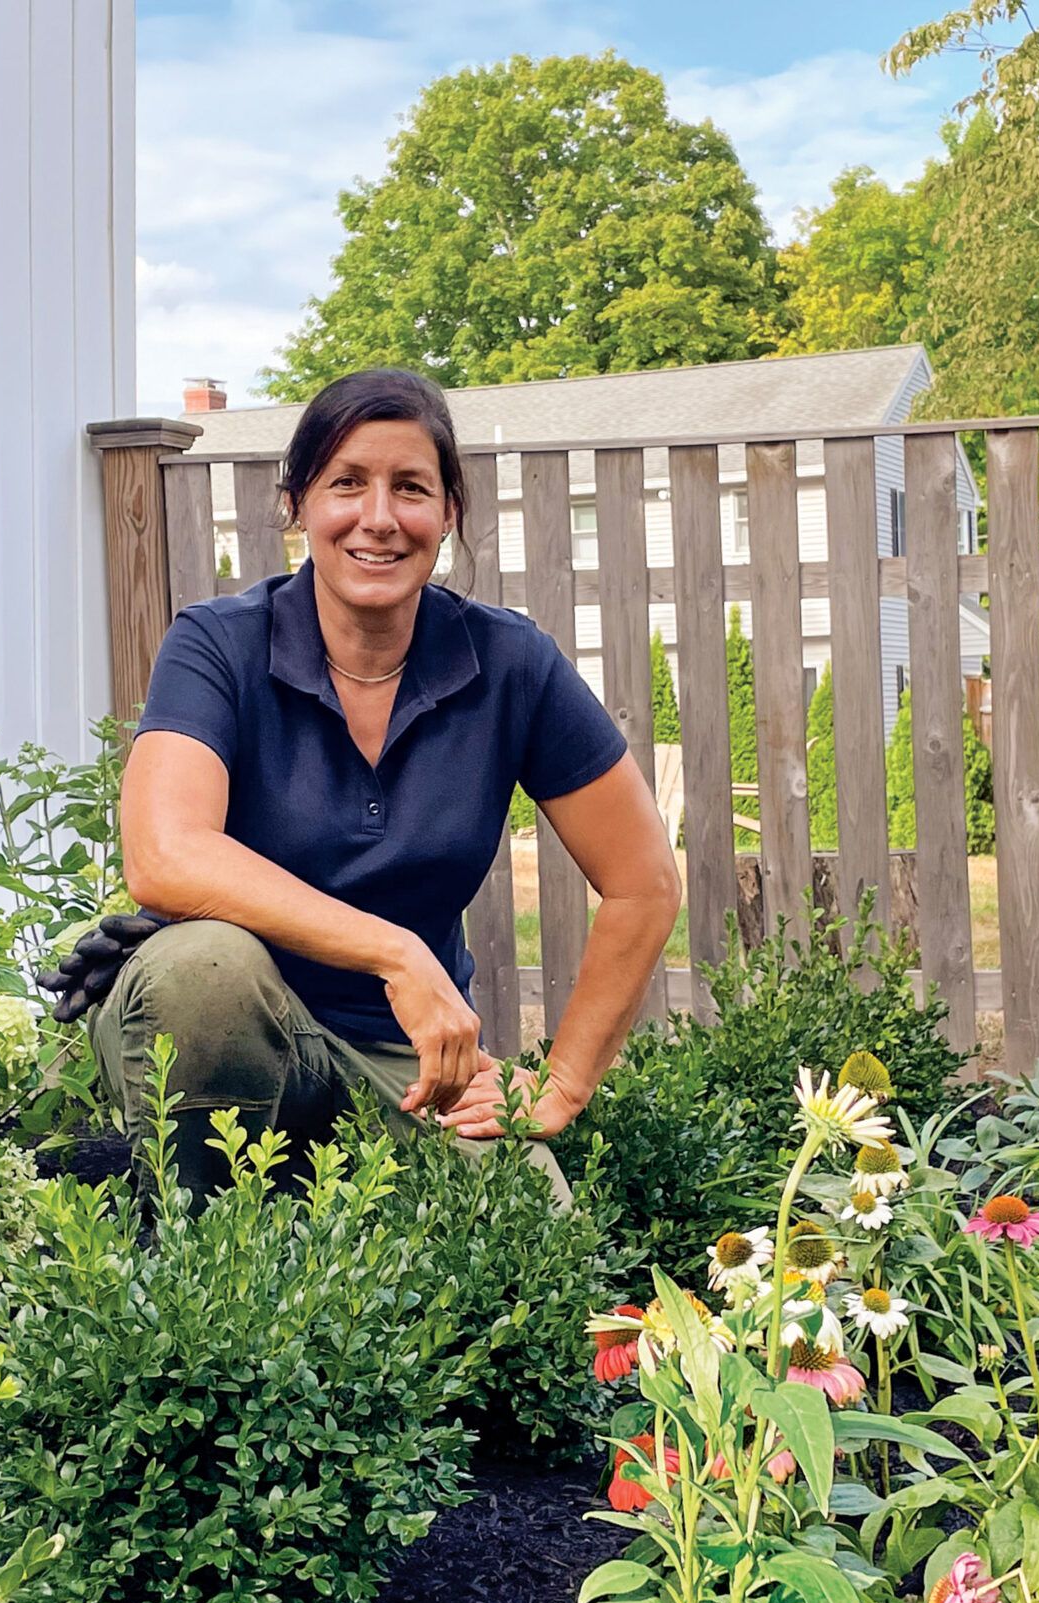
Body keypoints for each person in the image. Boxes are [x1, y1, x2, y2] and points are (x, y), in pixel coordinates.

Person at [58, 367, 679, 1204]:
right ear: (298, 503)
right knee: (206, 967)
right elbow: (166, 855)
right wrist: (396, 950)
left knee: (530, 1240)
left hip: (407, 1059)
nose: (379, 518)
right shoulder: (218, 645)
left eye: (411, 488)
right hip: (227, 1025)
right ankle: (190, 1256)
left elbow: (643, 884)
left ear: (449, 512)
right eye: (347, 482)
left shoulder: (509, 665)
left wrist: (560, 1084)